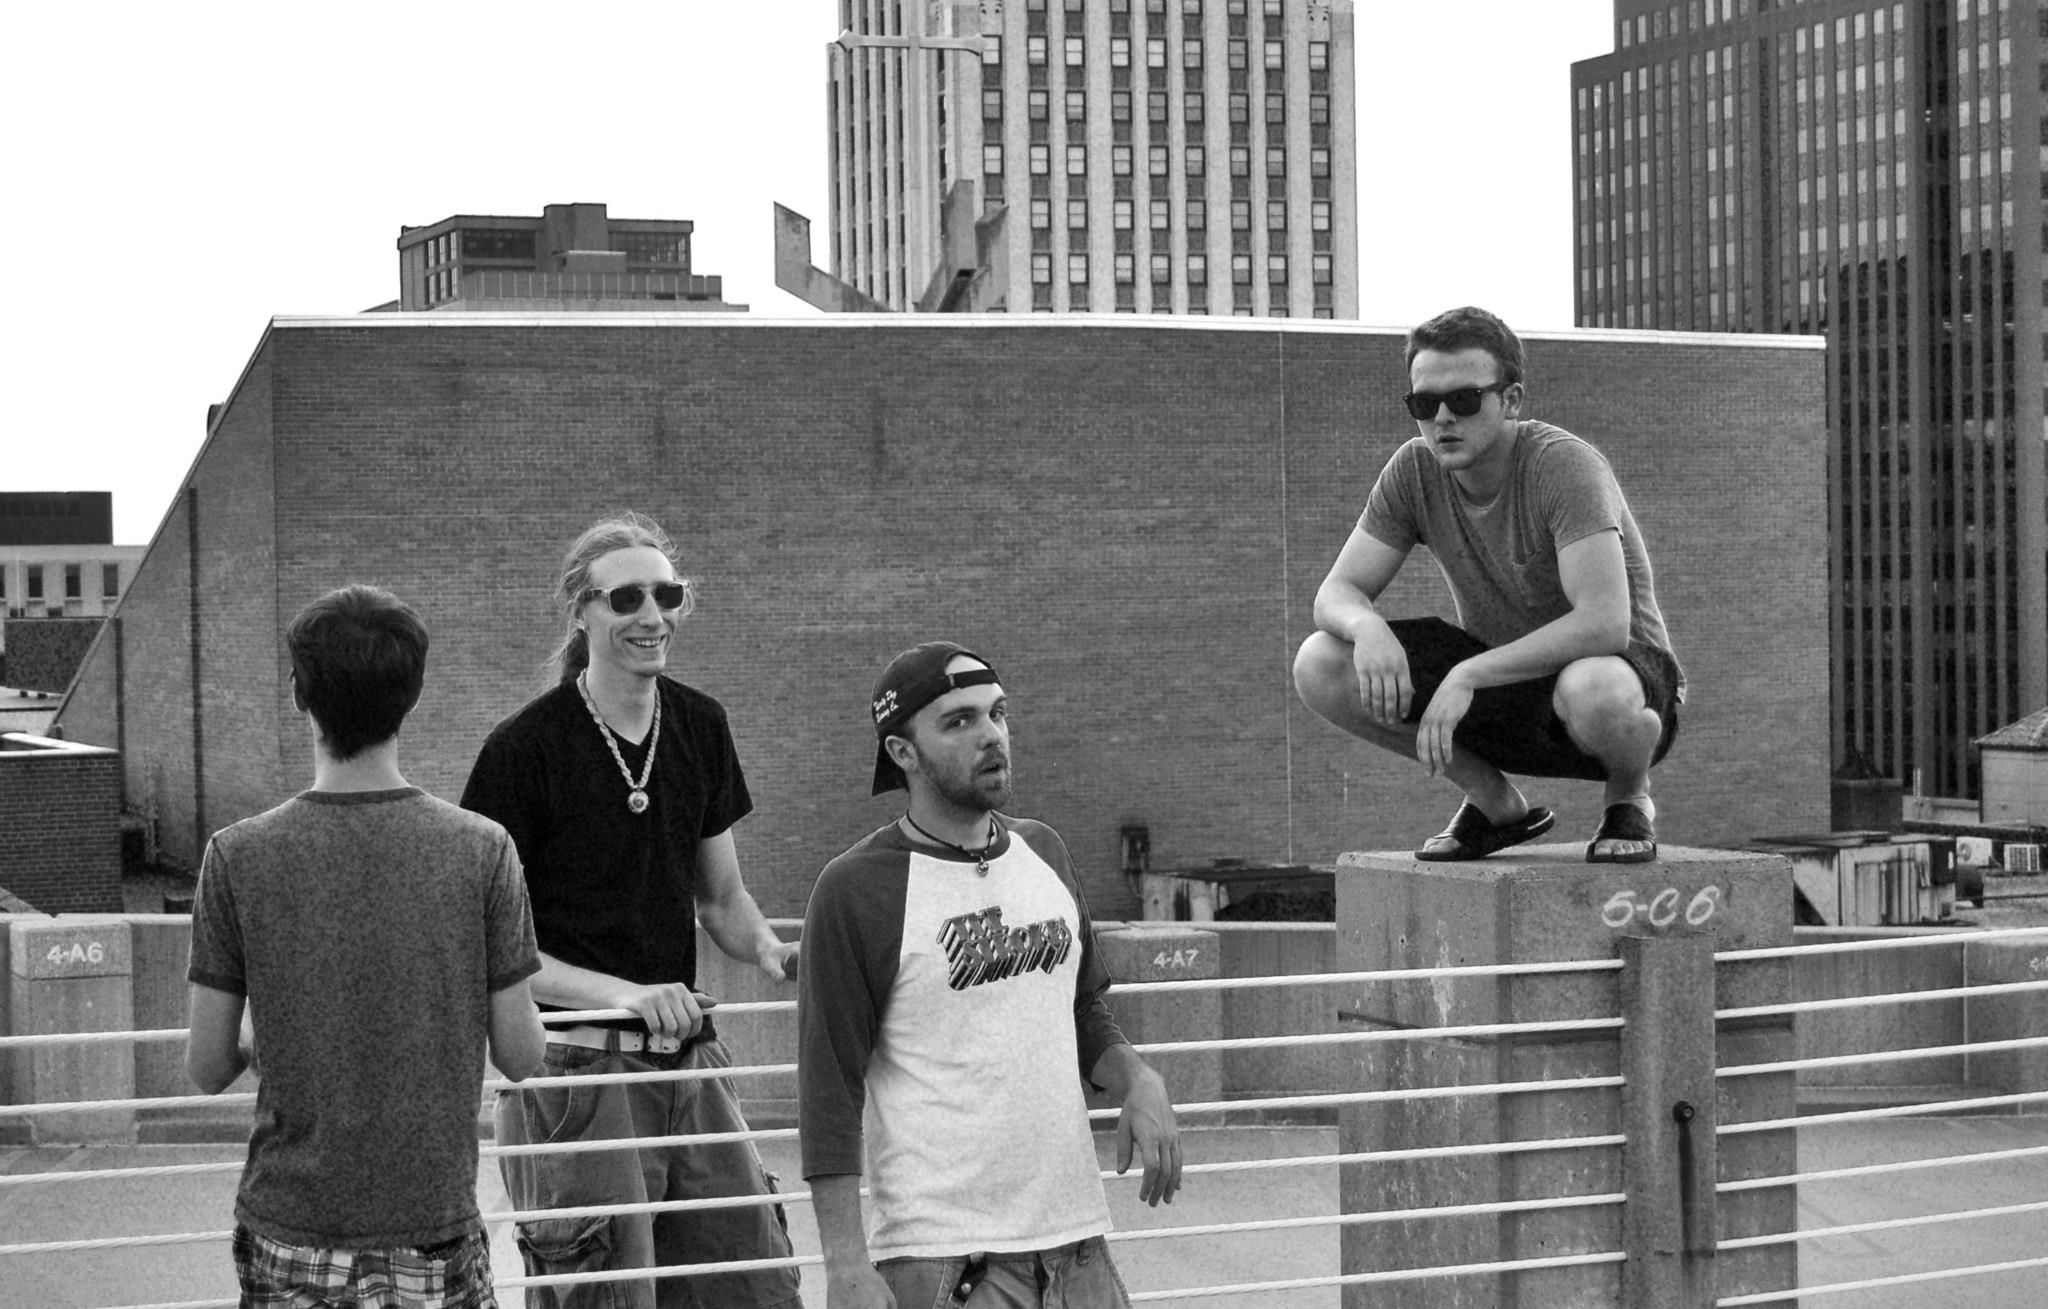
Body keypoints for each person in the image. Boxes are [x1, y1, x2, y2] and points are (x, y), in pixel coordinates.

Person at [460, 512, 802, 1309]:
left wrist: (769, 949)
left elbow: (722, 897)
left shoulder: (701, 724)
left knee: (754, 1288)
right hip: (577, 1076)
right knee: (610, 1298)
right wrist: (625, 993)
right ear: (580, 610)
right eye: (626, 598)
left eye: (667, 594)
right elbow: (491, 947)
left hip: (688, 1059)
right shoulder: (524, 749)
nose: (652, 615)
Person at [186, 584, 547, 1309]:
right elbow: (521, 1053)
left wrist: (275, 1030)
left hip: (288, 1226)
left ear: (300, 693)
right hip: (432, 1224)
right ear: (412, 695)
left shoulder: (237, 855)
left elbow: (207, 1065)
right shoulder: (483, 850)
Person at [799, 641, 1183, 1309]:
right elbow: (829, 1087)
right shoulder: (855, 888)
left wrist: (1139, 1079)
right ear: (903, 752)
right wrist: (846, 1265)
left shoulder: (1044, 850)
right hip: (947, 1261)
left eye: (997, 713)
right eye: (959, 721)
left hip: (1077, 1247)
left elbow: (1082, 1012)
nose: (991, 736)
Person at [1293, 306, 1685, 863]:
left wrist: (1467, 674)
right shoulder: (1414, 470)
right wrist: (1366, 626)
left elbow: (1604, 623)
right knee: (1321, 662)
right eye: (1424, 404)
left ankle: (1628, 797)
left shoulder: (1562, 465)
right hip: (1506, 684)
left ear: (1512, 400)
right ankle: (1495, 803)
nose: (1443, 418)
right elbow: (1336, 593)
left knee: (1592, 685)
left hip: (1621, 688)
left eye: (1465, 399)